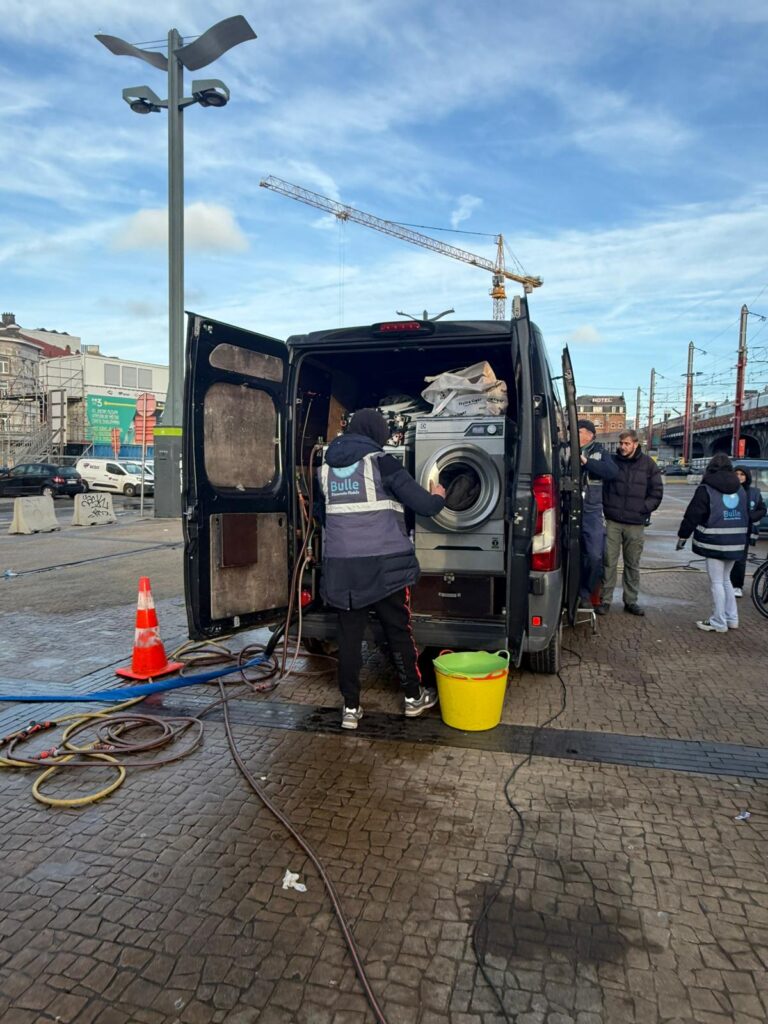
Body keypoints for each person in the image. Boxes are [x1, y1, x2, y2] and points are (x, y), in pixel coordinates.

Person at [316, 408, 446, 729]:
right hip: (385, 565)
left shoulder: (325, 468)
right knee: (397, 630)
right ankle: (413, 697)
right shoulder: (382, 462)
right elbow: (425, 506)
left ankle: (350, 708)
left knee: (348, 636)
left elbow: (323, 514)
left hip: (342, 566)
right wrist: (439, 495)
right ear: (377, 433)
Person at [676, 453, 748, 632]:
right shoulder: (740, 489)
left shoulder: (706, 488)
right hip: (736, 541)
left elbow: (693, 514)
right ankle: (732, 618)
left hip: (713, 541)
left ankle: (718, 621)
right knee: (726, 580)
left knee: (716, 582)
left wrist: (683, 536)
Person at [597, 429, 663, 616]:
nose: (622, 447)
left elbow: (657, 492)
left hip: (635, 523)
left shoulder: (648, 464)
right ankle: (605, 600)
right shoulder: (612, 462)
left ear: (635, 444)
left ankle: (631, 601)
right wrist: (606, 507)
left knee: (632, 563)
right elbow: (602, 486)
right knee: (608, 562)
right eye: (621, 443)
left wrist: (643, 508)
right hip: (613, 521)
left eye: (626, 443)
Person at [577, 419, 618, 608]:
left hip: (592, 511)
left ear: (590, 434)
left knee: (595, 555)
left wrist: (586, 462)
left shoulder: (600, 452)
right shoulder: (564, 450)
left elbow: (611, 472)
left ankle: (586, 593)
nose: (575, 435)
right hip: (568, 508)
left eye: (579, 431)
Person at [730, 465, 766, 597]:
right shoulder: (727, 490)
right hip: (728, 530)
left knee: (740, 559)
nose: (739, 477)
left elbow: (762, 509)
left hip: (744, 532)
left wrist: (752, 517)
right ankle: (726, 583)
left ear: (747, 476)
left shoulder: (754, 493)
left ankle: (737, 586)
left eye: (742, 474)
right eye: (736, 474)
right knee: (727, 558)